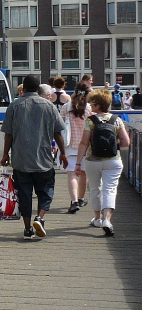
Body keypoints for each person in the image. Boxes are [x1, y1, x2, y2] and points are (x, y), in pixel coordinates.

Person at [0, 75, 68, 240]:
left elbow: (8, 134)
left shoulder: (14, 106)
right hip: (43, 158)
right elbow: (58, 132)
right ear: (38, 89)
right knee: (46, 190)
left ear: (24, 87)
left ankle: (27, 229)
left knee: (24, 194)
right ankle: (40, 217)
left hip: (21, 159)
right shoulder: (49, 106)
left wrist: (5, 154)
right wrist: (63, 153)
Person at [75, 88, 131, 236]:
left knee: (95, 189)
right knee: (110, 189)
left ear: (98, 105)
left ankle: (97, 218)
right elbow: (126, 142)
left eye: (92, 103)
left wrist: (78, 163)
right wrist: (113, 143)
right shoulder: (116, 120)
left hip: (93, 161)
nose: (90, 106)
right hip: (113, 161)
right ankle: (107, 219)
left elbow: (84, 143)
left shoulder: (90, 121)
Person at [60, 82, 92, 213]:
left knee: (71, 174)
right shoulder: (89, 108)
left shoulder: (66, 107)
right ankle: (81, 198)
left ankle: (73, 202)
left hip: (69, 146)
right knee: (84, 174)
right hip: (85, 146)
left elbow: (60, 126)